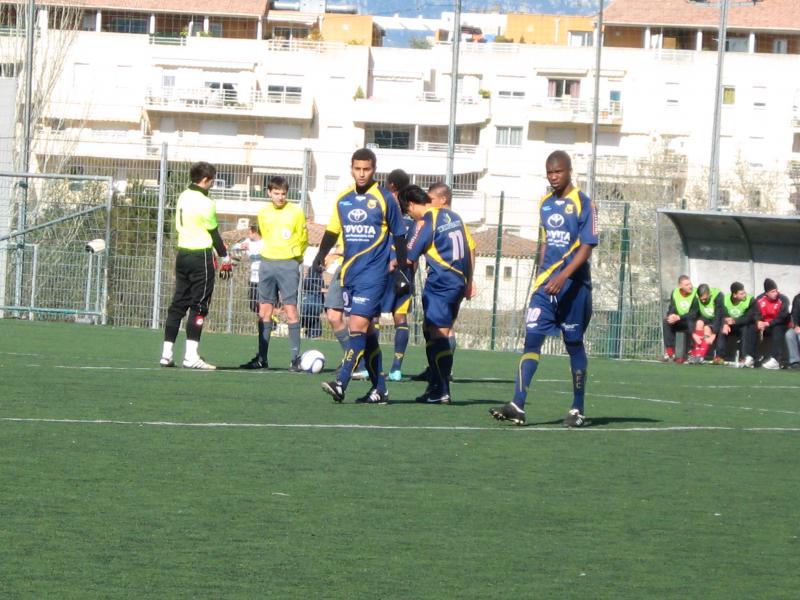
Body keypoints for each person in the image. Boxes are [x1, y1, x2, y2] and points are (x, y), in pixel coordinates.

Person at [490, 150, 598, 427]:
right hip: (545, 288)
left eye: (558, 172)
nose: (553, 177)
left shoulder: (585, 204)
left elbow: (586, 248)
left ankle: (577, 408)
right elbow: (546, 242)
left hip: (574, 288)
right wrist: (542, 274)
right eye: (549, 172)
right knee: (531, 339)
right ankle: (518, 403)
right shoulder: (545, 204)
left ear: (569, 171)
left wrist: (563, 278)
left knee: (573, 344)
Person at [313, 148, 408, 404]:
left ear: (374, 169)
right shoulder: (343, 198)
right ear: (351, 168)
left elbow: (399, 235)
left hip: (374, 274)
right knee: (367, 334)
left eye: (366, 169)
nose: (362, 173)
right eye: (358, 169)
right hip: (349, 273)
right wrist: (320, 255)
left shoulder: (385, 198)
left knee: (357, 326)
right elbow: (333, 230)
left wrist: (399, 269)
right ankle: (380, 389)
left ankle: (341, 382)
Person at [403, 185, 474, 404]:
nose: (409, 215)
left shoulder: (425, 221)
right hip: (459, 281)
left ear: (413, 205)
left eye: (408, 210)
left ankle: (442, 389)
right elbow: (470, 250)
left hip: (442, 282)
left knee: (439, 334)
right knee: (430, 329)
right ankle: (434, 383)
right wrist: (468, 281)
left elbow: (409, 256)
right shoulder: (454, 216)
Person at [160, 161, 231, 370]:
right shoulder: (206, 202)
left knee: (178, 303)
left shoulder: (183, 195)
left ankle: (166, 353)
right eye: (212, 181)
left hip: (182, 254)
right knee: (199, 306)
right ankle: (191, 356)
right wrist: (225, 256)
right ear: (206, 180)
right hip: (201, 257)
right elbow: (214, 233)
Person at [240, 176, 308, 370]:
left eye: (283, 194)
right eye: (276, 193)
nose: (280, 197)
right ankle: (262, 358)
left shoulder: (296, 212)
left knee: (290, 309)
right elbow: (266, 236)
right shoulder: (263, 213)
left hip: (288, 264)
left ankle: (295, 359)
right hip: (267, 263)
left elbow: (303, 238)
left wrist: (296, 258)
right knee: (264, 311)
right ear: (269, 192)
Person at [381, 168, 413, 382]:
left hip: (386, 272)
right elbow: (414, 251)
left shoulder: (385, 216)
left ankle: (370, 366)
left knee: (371, 316)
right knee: (399, 319)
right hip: (404, 273)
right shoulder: (412, 221)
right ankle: (396, 368)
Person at [231, 225, 265, 360]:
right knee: (252, 304)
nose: (248, 234)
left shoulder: (264, 243)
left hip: (264, 279)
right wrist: (239, 248)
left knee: (261, 306)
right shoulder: (248, 242)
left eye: (249, 232)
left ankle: (269, 322)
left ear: (254, 232)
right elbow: (234, 248)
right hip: (253, 279)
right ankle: (267, 320)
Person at [712, 281, 756, 366]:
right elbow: (722, 313)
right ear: (735, 295)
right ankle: (719, 356)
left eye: (744, 292)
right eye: (741, 293)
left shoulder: (750, 300)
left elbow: (750, 317)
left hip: (743, 324)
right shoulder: (725, 299)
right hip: (730, 325)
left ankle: (744, 357)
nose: (744, 295)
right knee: (723, 328)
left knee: (745, 328)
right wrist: (725, 322)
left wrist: (735, 321)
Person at [754, 278, 790, 370]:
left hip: (779, 324)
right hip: (765, 325)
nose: (775, 293)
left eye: (776, 291)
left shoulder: (783, 299)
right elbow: (754, 313)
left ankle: (776, 360)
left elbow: (783, 317)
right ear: (766, 293)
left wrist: (768, 323)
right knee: (749, 327)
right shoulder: (759, 299)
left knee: (777, 328)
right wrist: (758, 321)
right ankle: (750, 357)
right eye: (772, 292)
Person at [662, 275, 697, 364]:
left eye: (690, 284)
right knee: (666, 321)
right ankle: (670, 352)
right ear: (680, 286)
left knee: (690, 323)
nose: (690, 286)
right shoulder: (675, 292)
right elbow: (672, 307)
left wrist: (679, 317)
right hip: (679, 320)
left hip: (690, 320)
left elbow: (694, 313)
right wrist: (671, 316)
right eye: (686, 285)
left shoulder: (695, 293)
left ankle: (691, 353)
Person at [688, 283, 721, 364]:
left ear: (709, 294)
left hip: (717, 321)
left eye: (705, 299)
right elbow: (691, 317)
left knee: (706, 329)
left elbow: (719, 317)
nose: (703, 301)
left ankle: (700, 356)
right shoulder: (696, 299)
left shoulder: (718, 296)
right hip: (706, 319)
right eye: (701, 299)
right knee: (699, 322)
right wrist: (693, 334)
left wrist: (714, 334)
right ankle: (695, 354)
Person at [300, 265, 324, 338]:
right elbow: (306, 284)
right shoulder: (313, 274)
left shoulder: (320, 277)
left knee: (316, 329)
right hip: (309, 307)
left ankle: (310, 335)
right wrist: (320, 289)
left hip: (314, 309)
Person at [784, 289, 800, 369]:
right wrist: (796, 325)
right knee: (789, 334)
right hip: (799, 326)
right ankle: (795, 361)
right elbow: (794, 313)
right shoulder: (797, 299)